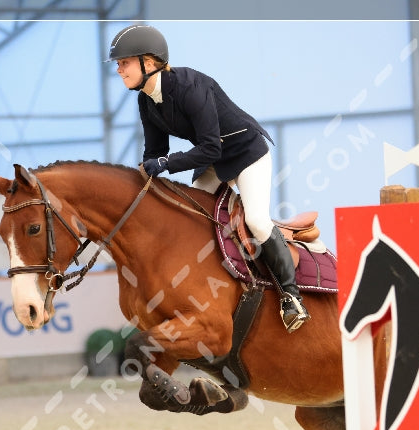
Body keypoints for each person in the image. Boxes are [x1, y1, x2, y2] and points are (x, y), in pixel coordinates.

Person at [109, 24, 309, 332]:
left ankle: (291, 298)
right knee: (190, 217)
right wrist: (140, 180)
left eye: (124, 63)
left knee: (256, 219)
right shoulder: (146, 100)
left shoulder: (190, 86)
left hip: (246, 153)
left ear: (149, 63)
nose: (119, 70)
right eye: (119, 65)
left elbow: (208, 146)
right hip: (213, 160)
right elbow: (156, 153)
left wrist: (164, 163)